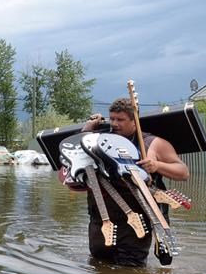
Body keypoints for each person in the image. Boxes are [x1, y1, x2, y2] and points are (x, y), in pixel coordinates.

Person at [81, 98, 189, 265]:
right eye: (112, 119)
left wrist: (156, 165)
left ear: (134, 120)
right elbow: (74, 164)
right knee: (98, 267)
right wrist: (86, 131)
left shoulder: (152, 143)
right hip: (102, 219)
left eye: (121, 119)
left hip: (136, 221)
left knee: (131, 270)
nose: (115, 124)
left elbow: (183, 172)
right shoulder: (98, 141)